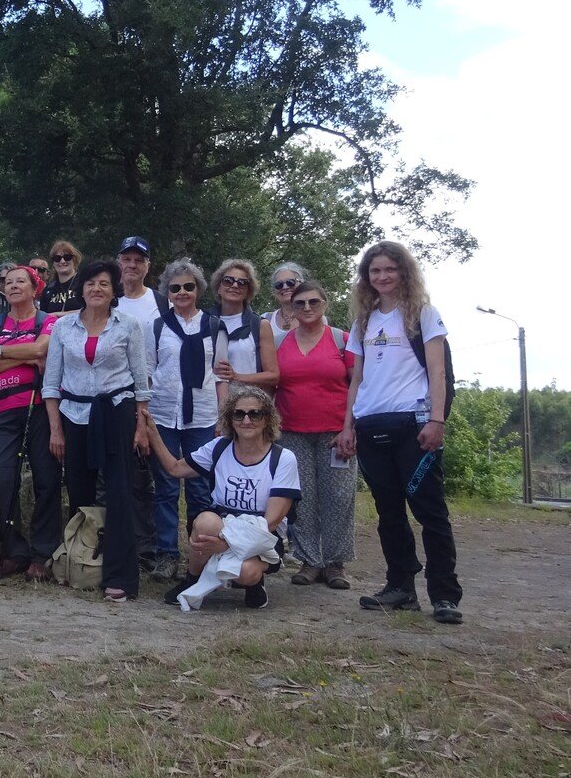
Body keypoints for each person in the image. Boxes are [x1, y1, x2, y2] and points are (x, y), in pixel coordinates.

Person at [338, 240, 462, 625]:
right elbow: (356, 377)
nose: (382, 276)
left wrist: (437, 420)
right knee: (389, 512)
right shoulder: (364, 321)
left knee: (430, 511)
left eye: (390, 269)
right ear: (366, 277)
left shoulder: (423, 314)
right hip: (372, 424)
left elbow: (438, 372)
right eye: (375, 271)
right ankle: (400, 588)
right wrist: (348, 425)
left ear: (404, 271)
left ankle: (444, 595)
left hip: (414, 424)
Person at [40, 260, 152, 603]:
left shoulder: (128, 326)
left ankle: (120, 576)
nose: (96, 289)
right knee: (79, 489)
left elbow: (141, 382)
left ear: (113, 289)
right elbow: (51, 383)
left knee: (119, 493)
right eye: (90, 283)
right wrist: (55, 429)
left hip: (115, 411)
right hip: (74, 413)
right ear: (81, 289)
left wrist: (142, 426)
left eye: (104, 283)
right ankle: (80, 562)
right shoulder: (63, 327)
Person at [151, 387, 301, 611]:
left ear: (267, 418)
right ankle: (192, 578)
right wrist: (152, 431)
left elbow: (271, 522)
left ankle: (254, 583)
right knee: (204, 522)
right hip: (223, 525)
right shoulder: (219, 448)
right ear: (230, 419)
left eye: (255, 414)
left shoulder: (283, 458)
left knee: (246, 573)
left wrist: (227, 544)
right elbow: (174, 469)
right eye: (238, 414)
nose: (246, 420)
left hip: (261, 534)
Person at [0, 264, 58, 581]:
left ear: (35, 287)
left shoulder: (46, 321)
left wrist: (1, 354)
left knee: (46, 479)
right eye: (8, 283)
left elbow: (43, 349)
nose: (12, 286)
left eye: (20, 281)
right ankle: (15, 551)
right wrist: (23, 355)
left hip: (37, 408)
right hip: (0, 411)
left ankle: (42, 554)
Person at [145, 259, 228, 582]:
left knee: (199, 489)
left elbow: (221, 374)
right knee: (165, 487)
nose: (182, 292)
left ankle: (201, 555)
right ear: (167, 291)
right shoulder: (157, 327)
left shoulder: (214, 326)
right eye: (175, 288)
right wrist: (145, 418)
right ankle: (166, 555)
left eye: (188, 287)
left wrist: (224, 416)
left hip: (204, 416)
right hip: (164, 415)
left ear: (199, 289)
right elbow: (149, 372)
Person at [275, 279, 356, 589]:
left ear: (325, 304)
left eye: (313, 302)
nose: (307, 308)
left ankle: (336, 563)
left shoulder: (342, 340)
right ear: (291, 307)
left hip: (336, 433)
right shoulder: (281, 342)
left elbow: (357, 386)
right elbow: (273, 385)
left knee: (339, 496)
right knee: (302, 498)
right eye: (300, 303)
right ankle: (310, 561)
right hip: (292, 432)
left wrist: (351, 428)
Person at [114, 235, 162, 566]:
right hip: (117, 397)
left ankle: (149, 545)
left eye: (139, 260)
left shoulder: (162, 302)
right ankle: (117, 539)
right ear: (119, 262)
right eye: (126, 258)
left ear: (148, 265)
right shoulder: (110, 300)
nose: (132, 265)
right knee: (121, 472)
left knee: (150, 474)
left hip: (154, 397)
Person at [209, 259, 280, 391]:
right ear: (219, 287)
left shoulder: (260, 325)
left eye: (242, 283)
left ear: (248, 291)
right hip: (209, 405)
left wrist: (236, 377)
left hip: (247, 405)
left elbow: (273, 376)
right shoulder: (204, 322)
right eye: (228, 281)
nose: (235, 285)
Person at [264, 262, 310, 347]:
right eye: (279, 285)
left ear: (302, 284)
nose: (285, 287)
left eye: (290, 282)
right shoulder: (264, 320)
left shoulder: (316, 318)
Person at [39, 240, 84, 314]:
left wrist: (59, 315)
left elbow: (91, 311)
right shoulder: (48, 290)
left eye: (67, 257)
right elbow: (43, 318)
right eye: (57, 258)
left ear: (74, 260)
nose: (62, 261)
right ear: (53, 263)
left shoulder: (84, 283)